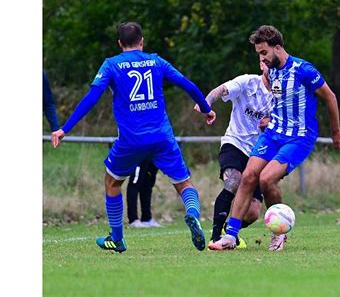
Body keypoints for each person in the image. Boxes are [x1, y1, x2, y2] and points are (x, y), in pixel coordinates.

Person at [51, 22, 216, 252]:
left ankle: (117, 238)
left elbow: (92, 97)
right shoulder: (157, 61)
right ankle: (192, 213)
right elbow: (187, 85)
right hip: (162, 137)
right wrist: (206, 107)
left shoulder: (111, 65)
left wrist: (64, 128)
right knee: (183, 183)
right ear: (142, 41)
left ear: (120, 44)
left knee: (112, 182)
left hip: (131, 140)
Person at [209, 25, 340, 251]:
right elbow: (280, 100)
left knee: (266, 179)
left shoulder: (304, 71)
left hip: (299, 138)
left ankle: (279, 233)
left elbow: (330, 97)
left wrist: (336, 131)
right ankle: (230, 237)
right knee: (249, 176)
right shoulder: (271, 72)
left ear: (278, 48)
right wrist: (271, 118)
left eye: (264, 53)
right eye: (259, 54)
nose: (262, 59)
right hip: (273, 134)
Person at [195, 61, 274, 249]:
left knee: (253, 212)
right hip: (234, 144)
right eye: (266, 62)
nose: (270, 67)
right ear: (261, 64)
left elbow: (287, 120)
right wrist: (207, 102)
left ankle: (229, 232)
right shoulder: (248, 82)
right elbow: (221, 89)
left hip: (258, 153)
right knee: (233, 181)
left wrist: (270, 122)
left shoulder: (281, 94)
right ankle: (215, 238)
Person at [126, 159, 161, 228]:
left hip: (152, 155)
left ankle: (146, 218)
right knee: (134, 184)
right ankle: (133, 219)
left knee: (147, 184)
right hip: (139, 154)